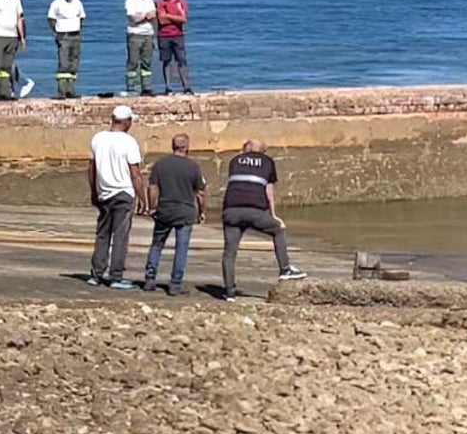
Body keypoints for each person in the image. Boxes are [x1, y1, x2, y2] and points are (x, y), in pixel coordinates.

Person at [221, 139, 306, 300]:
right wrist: (273, 215)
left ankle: (229, 292)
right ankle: (285, 269)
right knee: (278, 230)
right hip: (254, 210)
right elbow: (269, 191)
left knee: (229, 252)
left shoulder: (234, 161)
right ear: (262, 151)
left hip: (231, 211)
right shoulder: (267, 162)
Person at [87, 104, 147, 289]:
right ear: (127, 122)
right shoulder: (129, 142)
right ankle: (115, 276)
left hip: (104, 192)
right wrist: (143, 199)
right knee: (120, 236)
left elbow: (92, 168)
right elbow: (135, 173)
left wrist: (93, 191)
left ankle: (96, 274)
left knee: (102, 234)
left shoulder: (98, 138)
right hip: (123, 192)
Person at [142, 133, 206, 295]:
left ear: (173, 146)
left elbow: (153, 188)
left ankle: (150, 279)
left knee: (157, 244)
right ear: (186, 147)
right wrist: (202, 212)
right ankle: (175, 283)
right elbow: (200, 193)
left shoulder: (160, 165)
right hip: (185, 211)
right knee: (181, 248)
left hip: (165, 209)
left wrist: (152, 207)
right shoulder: (193, 167)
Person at [48, 0, 85, 99]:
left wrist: (79, 31)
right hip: (63, 35)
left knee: (74, 63)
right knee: (64, 63)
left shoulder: (78, 3)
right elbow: (51, 19)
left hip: (76, 35)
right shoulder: (57, 3)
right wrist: (56, 33)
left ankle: (71, 90)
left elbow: (81, 18)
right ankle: (62, 91)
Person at [155, 0, 192, 95]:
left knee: (182, 60)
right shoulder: (159, 2)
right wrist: (172, 18)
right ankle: (168, 87)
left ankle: (186, 87)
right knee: (167, 61)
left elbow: (183, 19)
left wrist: (168, 16)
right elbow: (161, 20)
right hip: (163, 35)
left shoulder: (180, 2)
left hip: (177, 35)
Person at [124, 0, 157, 96]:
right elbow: (134, 18)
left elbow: (153, 14)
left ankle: (146, 87)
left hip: (148, 34)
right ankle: (132, 88)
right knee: (133, 61)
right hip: (135, 34)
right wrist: (145, 16)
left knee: (146, 61)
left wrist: (143, 16)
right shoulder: (130, 0)